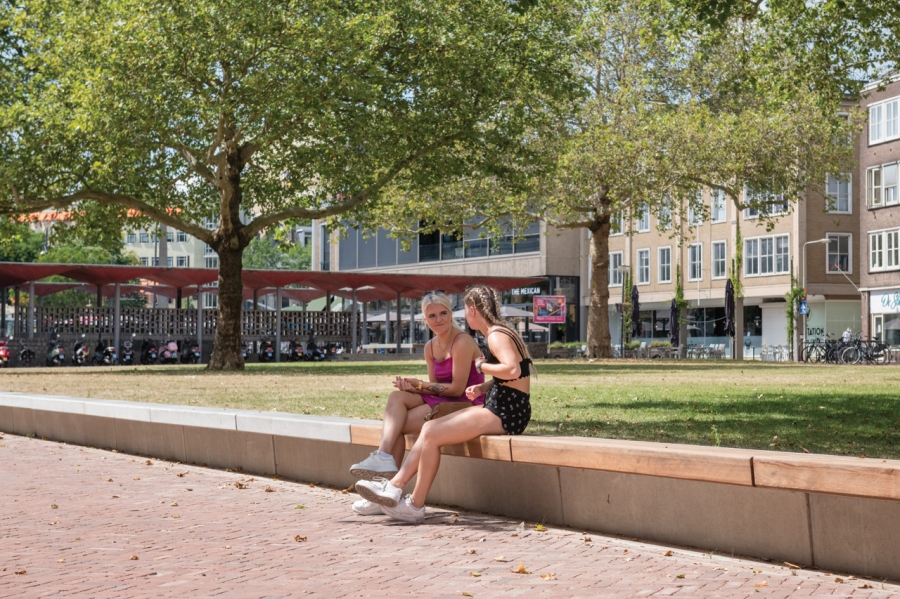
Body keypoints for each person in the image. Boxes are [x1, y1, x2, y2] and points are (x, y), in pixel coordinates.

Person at [355, 284, 533, 523]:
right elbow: (519, 372)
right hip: (504, 405)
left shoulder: (495, 335)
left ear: (471, 310)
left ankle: (407, 498)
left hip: (506, 411)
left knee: (432, 433)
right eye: (432, 316)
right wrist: (484, 385)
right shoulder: (499, 331)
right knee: (429, 429)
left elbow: (512, 369)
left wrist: (481, 366)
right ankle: (399, 493)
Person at [349, 290, 485, 515]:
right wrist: (412, 388)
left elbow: (457, 389)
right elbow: (436, 387)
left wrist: (419, 385)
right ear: (425, 320)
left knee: (397, 425)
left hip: (464, 403)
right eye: (432, 316)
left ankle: (385, 489)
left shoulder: (462, 341)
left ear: (451, 314)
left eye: (443, 313)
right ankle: (382, 461)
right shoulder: (430, 347)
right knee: (396, 398)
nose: (438, 319)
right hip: (443, 400)